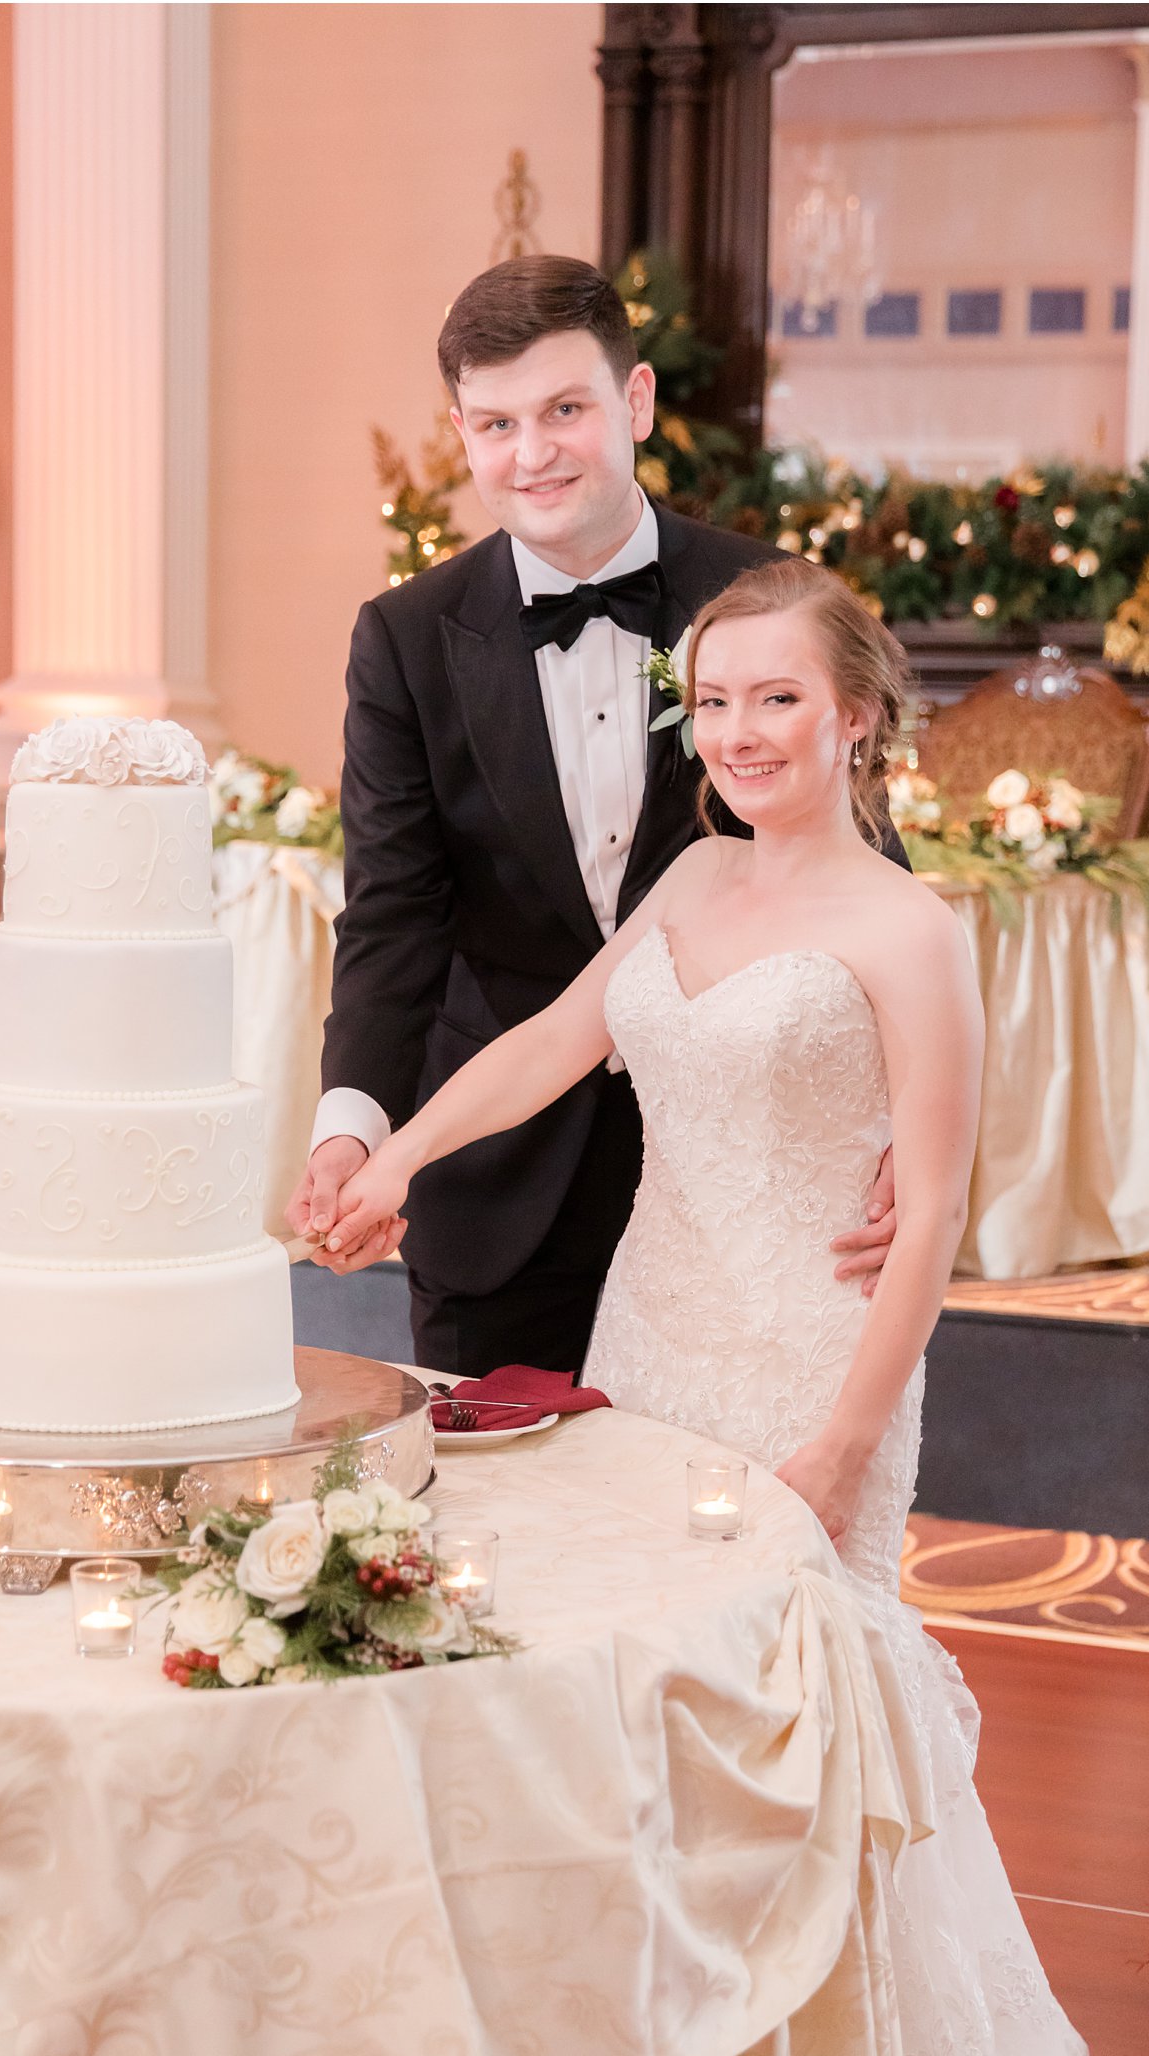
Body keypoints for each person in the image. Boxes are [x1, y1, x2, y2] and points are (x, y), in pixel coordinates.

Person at [317, 556, 1149, 2056]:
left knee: (815, 1719)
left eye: (776, 697)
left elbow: (928, 1209)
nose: (737, 732)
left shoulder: (909, 927)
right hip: (653, 1338)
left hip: (811, 1358)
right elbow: (557, 1040)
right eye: (711, 702)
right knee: (665, 1703)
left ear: (858, 713)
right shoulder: (687, 879)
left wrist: (846, 1442)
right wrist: (395, 1154)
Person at [287, 254, 909, 1374]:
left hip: (733, 1171)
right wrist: (355, 1127)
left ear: (635, 402)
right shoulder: (405, 637)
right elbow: (392, 917)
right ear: (461, 433)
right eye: (494, 424)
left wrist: (905, 1123)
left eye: (564, 410)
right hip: (498, 1180)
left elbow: (862, 879)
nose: (530, 455)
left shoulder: (766, 598)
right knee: (500, 1523)